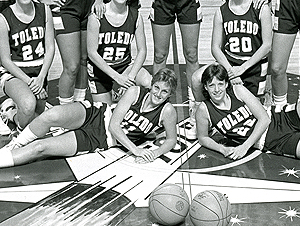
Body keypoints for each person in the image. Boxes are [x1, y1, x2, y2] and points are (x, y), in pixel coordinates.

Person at [0, 68, 178, 167]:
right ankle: (16, 144)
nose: (158, 94)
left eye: (164, 92)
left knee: (40, 147)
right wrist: (136, 150)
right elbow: (114, 126)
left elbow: (171, 140)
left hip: (99, 139)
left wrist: (155, 153)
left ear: (170, 95)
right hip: (97, 114)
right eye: (156, 88)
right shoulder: (135, 92)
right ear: (152, 85)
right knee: (51, 115)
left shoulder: (167, 111)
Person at [196, 63, 300, 167]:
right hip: (276, 140)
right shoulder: (204, 110)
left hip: (281, 116)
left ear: (226, 84)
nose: (216, 90)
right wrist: (222, 149)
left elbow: (264, 119)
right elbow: (203, 137)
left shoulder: (238, 91)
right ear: (205, 87)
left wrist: (244, 147)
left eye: (220, 84)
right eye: (211, 85)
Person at [192, 0, 271, 108]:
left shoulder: (260, 8)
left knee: (251, 113)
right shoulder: (221, 12)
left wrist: (242, 68)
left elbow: (267, 46)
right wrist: (231, 70)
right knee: (197, 78)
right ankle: (197, 114)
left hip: (253, 67)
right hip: (230, 65)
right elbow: (215, 48)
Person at [0, 0, 55, 130]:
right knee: (29, 106)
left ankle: (11, 107)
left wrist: (41, 78)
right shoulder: (4, 18)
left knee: (38, 117)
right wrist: (30, 83)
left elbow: (50, 48)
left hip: (39, 73)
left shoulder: (44, 11)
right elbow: (5, 60)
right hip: (14, 73)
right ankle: (13, 120)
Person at [87, 0, 151, 104]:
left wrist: (130, 78)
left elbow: (142, 51)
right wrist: (117, 78)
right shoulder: (97, 16)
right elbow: (92, 53)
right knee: (104, 116)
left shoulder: (136, 16)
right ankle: (112, 95)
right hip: (100, 70)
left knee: (148, 83)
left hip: (124, 66)